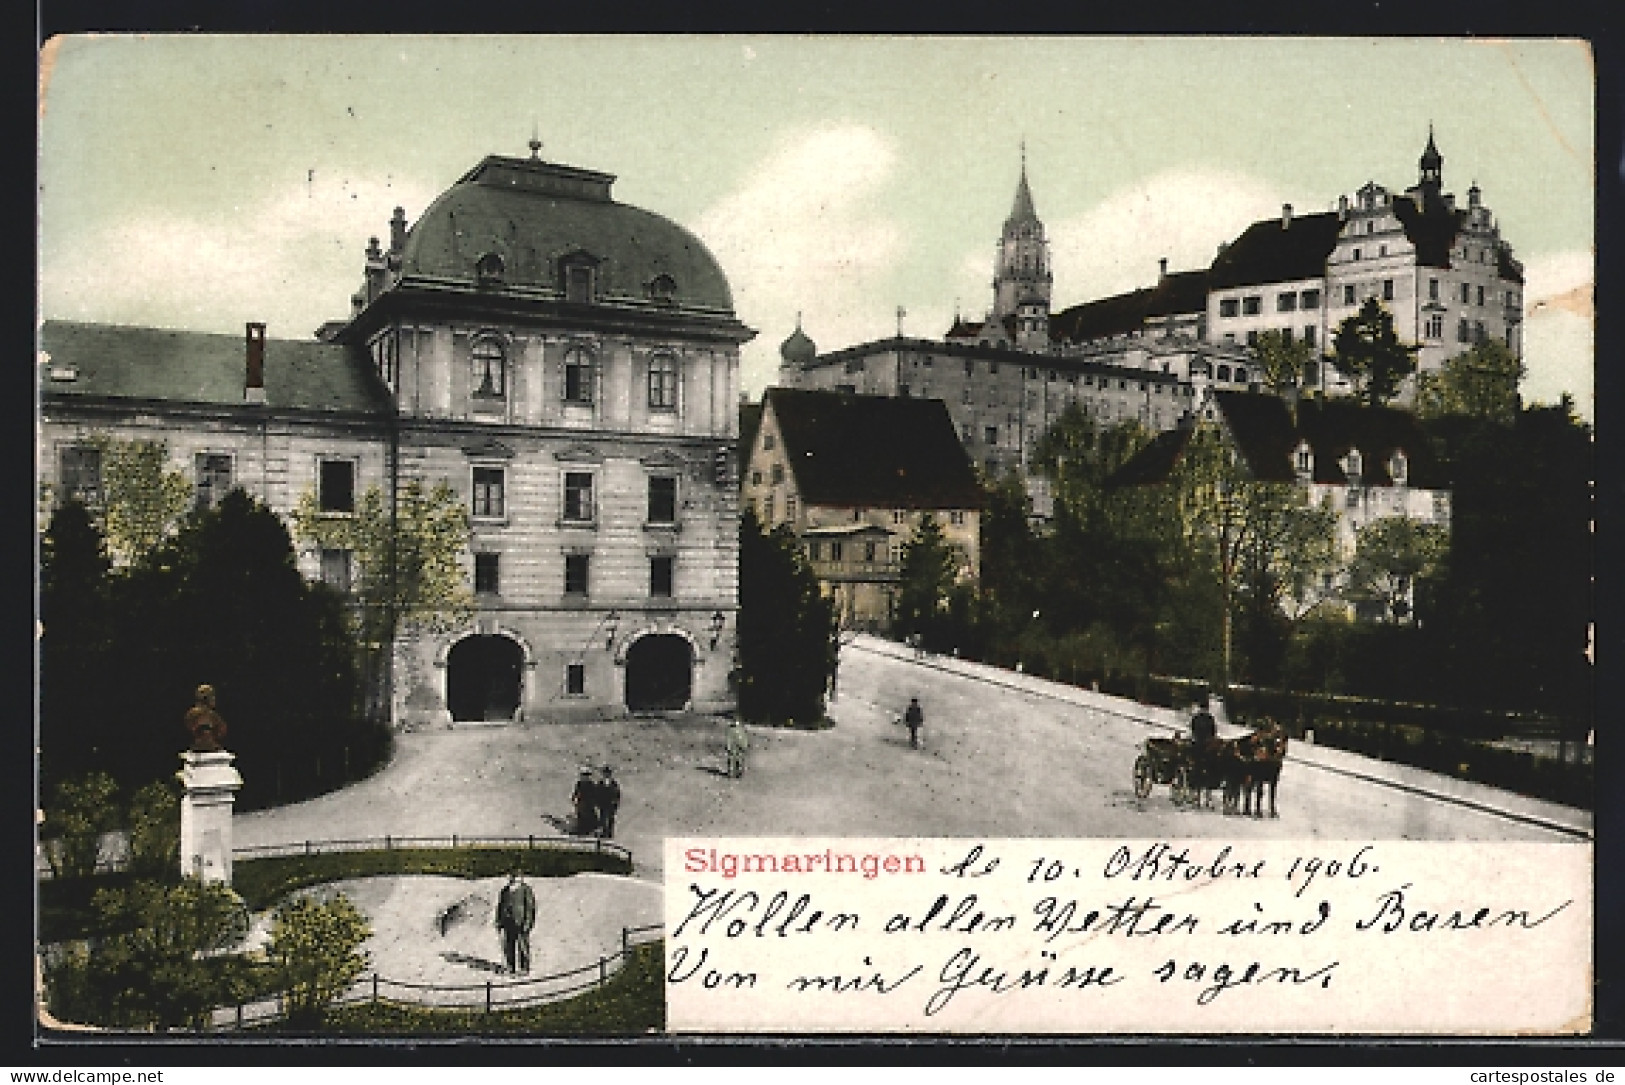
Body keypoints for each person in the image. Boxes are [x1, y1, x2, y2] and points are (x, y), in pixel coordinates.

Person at [494, 870, 536, 975]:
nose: (514, 879)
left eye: (517, 877)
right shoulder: (505, 891)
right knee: (509, 946)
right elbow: (500, 906)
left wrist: (528, 923)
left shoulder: (526, 890)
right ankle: (510, 967)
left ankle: (524, 968)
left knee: (523, 946)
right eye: (512, 877)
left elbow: (530, 908)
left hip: (521, 923)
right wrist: (499, 921)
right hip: (508, 922)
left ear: (521, 878)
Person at [184, 684, 229, 752]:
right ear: (206, 699)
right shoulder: (193, 715)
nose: (214, 700)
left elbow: (222, 731)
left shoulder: (214, 715)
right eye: (212, 697)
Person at [571, 767, 599, 835]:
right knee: (581, 816)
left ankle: (590, 830)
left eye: (586, 775)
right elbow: (576, 792)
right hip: (581, 803)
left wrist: (594, 802)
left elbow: (595, 794)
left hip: (589, 803)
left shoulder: (591, 784)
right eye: (583, 775)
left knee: (589, 816)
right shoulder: (579, 784)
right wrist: (574, 799)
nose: (585, 777)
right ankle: (581, 830)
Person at [597, 765, 621, 839]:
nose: (606, 775)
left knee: (610, 819)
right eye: (605, 773)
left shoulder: (614, 784)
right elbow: (597, 793)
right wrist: (598, 803)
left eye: (608, 773)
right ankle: (603, 834)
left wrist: (616, 803)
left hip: (611, 805)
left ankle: (609, 834)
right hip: (603, 804)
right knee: (602, 819)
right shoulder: (600, 783)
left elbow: (617, 794)